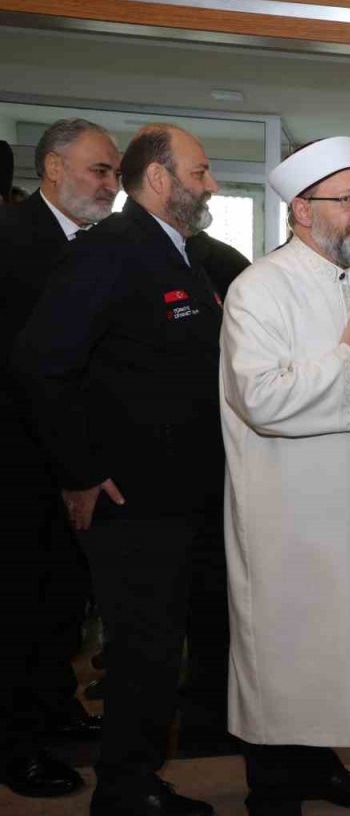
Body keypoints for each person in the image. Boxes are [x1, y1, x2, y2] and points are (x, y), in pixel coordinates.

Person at [11, 122, 222, 816]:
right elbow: (41, 363)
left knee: (158, 651)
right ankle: (127, 792)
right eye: (200, 172)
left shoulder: (177, 254)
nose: (211, 184)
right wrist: (79, 471)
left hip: (179, 495)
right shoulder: (112, 249)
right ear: (159, 179)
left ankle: (137, 778)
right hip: (134, 501)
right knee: (141, 654)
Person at [220, 137, 350, 816]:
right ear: (302, 209)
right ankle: (272, 790)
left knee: (338, 648)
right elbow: (258, 397)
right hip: (286, 518)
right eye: (347, 199)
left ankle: (322, 765)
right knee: (285, 651)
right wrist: (342, 362)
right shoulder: (258, 288)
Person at [0, 119, 119, 799]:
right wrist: (74, 466)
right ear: (52, 168)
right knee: (18, 607)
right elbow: (28, 369)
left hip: (74, 461)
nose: (110, 185)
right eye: (99, 170)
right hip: (19, 463)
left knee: (62, 602)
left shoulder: (99, 247)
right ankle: (15, 747)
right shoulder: (12, 241)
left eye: (114, 173)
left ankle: (54, 707)